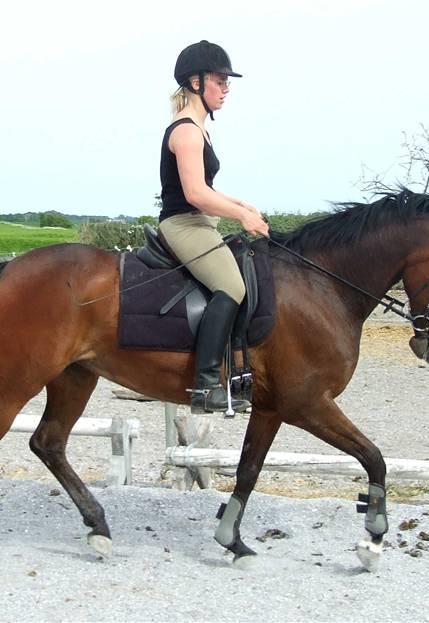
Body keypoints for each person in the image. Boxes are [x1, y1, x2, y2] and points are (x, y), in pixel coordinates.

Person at [157, 40, 269, 414]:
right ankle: (205, 385)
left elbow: (207, 189)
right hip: (184, 224)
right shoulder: (187, 131)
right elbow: (195, 193)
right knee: (232, 285)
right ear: (195, 82)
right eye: (220, 81)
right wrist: (242, 217)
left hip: (199, 222)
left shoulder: (200, 130)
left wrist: (240, 204)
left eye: (226, 82)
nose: (226, 89)